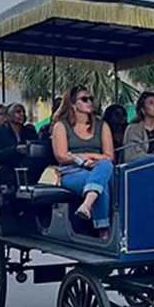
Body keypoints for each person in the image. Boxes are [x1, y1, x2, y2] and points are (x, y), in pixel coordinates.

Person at [50, 84, 115, 237]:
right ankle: (103, 232)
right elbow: (62, 156)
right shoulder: (61, 125)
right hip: (71, 171)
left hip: (98, 168)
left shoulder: (101, 125)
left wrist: (88, 157)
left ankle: (87, 205)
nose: (89, 102)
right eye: (84, 99)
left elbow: (110, 156)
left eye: (91, 99)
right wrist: (84, 159)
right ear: (73, 103)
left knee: (105, 166)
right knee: (101, 186)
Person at [0, 103, 45, 216]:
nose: (21, 115)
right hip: (8, 167)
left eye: (23, 112)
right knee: (5, 174)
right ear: (8, 115)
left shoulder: (29, 131)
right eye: (18, 112)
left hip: (28, 168)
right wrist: (14, 150)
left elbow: (38, 147)